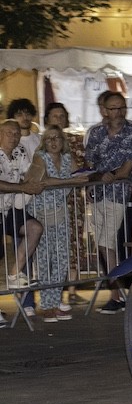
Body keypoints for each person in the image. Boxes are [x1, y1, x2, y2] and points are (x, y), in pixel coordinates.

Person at [83, 91, 132, 313]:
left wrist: (109, 174)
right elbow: (89, 163)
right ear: (104, 110)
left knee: (105, 242)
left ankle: (117, 293)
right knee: (102, 241)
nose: (118, 112)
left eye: (121, 108)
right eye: (113, 108)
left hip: (118, 193)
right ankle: (117, 293)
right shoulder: (97, 133)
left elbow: (128, 168)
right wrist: (96, 178)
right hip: (97, 193)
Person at [25, 127, 88, 322]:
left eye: (57, 138)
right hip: (42, 213)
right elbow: (42, 181)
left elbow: (81, 175)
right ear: (44, 141)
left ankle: (54, 301)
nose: (53, 142)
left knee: (61, 259)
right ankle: (47, 306)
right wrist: (68, 180)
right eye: (49, 138)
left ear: (63, 141)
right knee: (45, 259)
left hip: (60, 212)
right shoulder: (40, 156)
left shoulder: (68, 158)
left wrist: (79, 177)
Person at [0, 118, 44, 327]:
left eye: (17, 133)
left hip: (9, 208)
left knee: (35, 228)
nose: (15, 136)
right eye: (10, 133)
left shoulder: (20, 153)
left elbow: (29, 175)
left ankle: (14, 274)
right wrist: (23, 188)